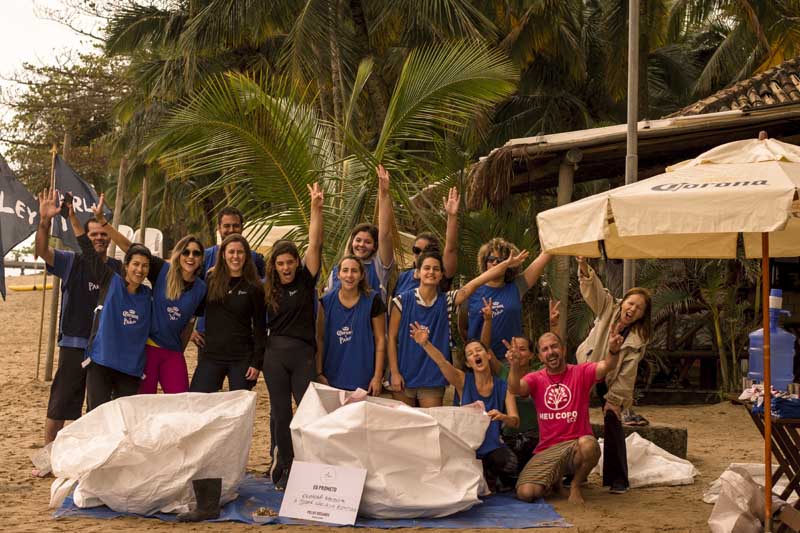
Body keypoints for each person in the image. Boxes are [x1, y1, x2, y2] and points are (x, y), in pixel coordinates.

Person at [40, 189, 154, 411]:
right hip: (101, 362)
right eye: (135, 264)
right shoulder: (111, 280)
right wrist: (72, 217)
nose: (139, 269)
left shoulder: (148, 296)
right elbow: (87, 248)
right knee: (94, 417)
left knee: (122, 420)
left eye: (145, 266)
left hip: (131, 369)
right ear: (126, 266)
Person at [35, 188, 122, 450]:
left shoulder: (118, 269)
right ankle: (49, 454)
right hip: (74, 342)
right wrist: (45, 221)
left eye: (102, 234)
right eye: (93, 234)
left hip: (105, 347)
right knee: (61, 402)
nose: (98, 238)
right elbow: (42, 251)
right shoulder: (72, 261)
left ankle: (92, 455)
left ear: (109, 237)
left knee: (98, 405)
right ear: (86, 236)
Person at [92, 195, 207, 394]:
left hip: (172, 352)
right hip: (148, 348)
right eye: (186, 252)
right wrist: (103, 222)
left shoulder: (201, 288)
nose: (190, 256)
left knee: (180, 402)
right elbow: (130, 248)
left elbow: (190, 322)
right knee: (145, 403)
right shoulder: (162, 270)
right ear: (179, 254)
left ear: (201, 258)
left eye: (196, 253)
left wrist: (180, 348)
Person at [388, 249, 529, 408]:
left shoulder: (447, 300)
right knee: (404, 428)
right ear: (418, 272)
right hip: (404, 375)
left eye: (436, 269)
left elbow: (476, 282)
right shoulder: (401, 301)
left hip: (432, 377)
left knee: (432, 428)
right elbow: (391, 339)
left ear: (441, 274)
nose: (431, 272)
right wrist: (394, 372)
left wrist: (507, 264)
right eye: (427, 268)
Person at [507, 330, 623, 505]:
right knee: (526, 493)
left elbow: (607, 365)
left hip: (574, 447)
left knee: (589, 445)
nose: (550, 352)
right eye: (545, 349)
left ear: (563, 349)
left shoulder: (581, 371)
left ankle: (575, 485)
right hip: (547, 449)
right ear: (540, 356)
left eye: (554, 346)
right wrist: (514, 365)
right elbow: (515, 389)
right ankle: (555, 483)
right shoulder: (536, 378)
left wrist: (613, 350)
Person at [574, 256, 652, 494]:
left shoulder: (638, 338)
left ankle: (617, 479)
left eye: (638, 308)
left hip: (612, 377)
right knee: (574, 417)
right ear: (624, 301)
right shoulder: (609, 307)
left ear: (642, 315)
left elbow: (628, 371)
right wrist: (584, 267)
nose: (632, 309)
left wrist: (615, 399)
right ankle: (574, 472)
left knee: (612, 418)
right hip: (588, 366)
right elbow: (594, 291)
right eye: (631, 303)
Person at [264, 183, 323, 491]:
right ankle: (284, 463)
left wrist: (315, 207)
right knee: (280, 412)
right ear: (274, 266)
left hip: (303, 355)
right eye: (281, 263)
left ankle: (308, 464)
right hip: (274, 355)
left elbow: (315, 243)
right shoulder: (267, 288)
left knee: (306, 409)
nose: (286, 267)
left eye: (290, 262)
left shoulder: (306, 280)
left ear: (297, 263)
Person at [410, 323, 519, 492]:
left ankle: (489, 475)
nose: (475, 354)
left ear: (488, 355)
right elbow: (442, 362)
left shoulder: (503, 386)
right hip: (465, 449)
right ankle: (483, 476)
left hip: (492, 448)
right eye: (470, 353)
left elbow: (515, 421)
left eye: (479, 350)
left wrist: (503, 417)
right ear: (468, 363)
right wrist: (425, 343)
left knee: (510, 464)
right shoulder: (462, 380)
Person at [189, 234, 265, 393]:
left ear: (246, 256)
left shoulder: (254, 286)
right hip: (211, 355)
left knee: (239, 409)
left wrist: (256, 362)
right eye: (231, 252)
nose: (235, 256)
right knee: (196, 401)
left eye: (240, 252)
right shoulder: (211, 279)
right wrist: (190, 330)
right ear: (223, 254)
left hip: (242, 357)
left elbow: (260, 327)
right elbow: (193, 304)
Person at [459, 238, 552, 361]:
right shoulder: (471, 291)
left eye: (501, 260)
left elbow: (544, 256)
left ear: (509, 264)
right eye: (491, 260)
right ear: (484, 262)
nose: (495, 263)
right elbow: (463, 328)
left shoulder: (517, 287)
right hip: (479, 361)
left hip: (511, 359)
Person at [316, 255, 386, 394]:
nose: (349, 275)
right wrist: (319, 373)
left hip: (363, 379)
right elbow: (320, 338)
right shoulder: (325, 302)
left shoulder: (373, 300)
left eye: (354, 271)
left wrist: (377, 377)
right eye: (345, 270)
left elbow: (380, 339)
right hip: (332, 377)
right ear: (338, 274)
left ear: (361, 275)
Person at [325, 165, 394, 301]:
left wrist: (384, 194)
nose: (361, 245)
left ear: (375, 246)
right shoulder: (336, 272)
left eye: (368, 242)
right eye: (358, 240)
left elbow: (385, 234)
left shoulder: (380, 267)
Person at [393, 187, 460, 295]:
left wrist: (452, 216)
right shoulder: (403, 277)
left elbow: (451, 249)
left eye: (426, 251)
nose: (421, 255)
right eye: (417, 250)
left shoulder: (439, 276)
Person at [200, 206, 266, 279]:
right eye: (227, 226)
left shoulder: (254, 258)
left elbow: (267, 283)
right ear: (219, 228)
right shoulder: (205, 257)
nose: (231, 230)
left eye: (236, 226)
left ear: (242, 227)